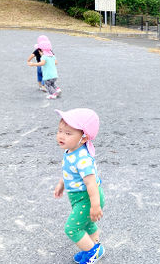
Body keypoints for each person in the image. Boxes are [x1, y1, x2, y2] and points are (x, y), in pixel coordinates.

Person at [54, 108, 105, 264]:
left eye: (68, 133)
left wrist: (95, 205)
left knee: (72, 228)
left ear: (83, 138)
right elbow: (69, 173)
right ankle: (94, 246)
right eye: (60, 131)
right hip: (78, 197)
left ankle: (94, 252)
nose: (61, 136)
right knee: (88, 224)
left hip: (87, 198)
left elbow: (91, 184)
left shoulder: (83, 159)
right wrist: (61, 184)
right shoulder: (71, 150)